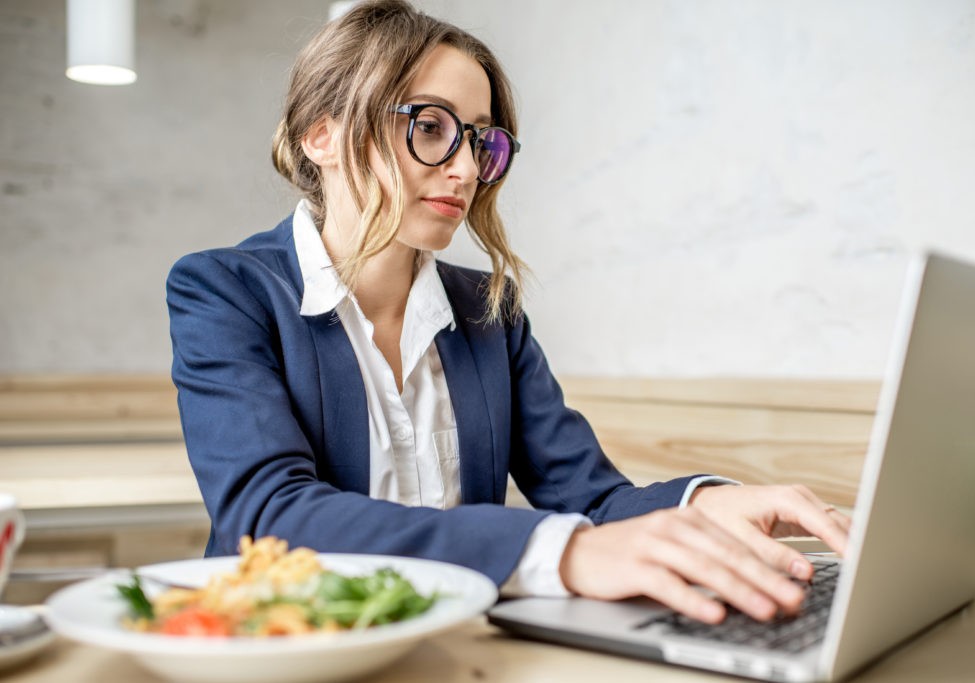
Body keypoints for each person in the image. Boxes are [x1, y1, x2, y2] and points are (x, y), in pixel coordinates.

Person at [166, 0, 851, 626]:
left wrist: (703, 504)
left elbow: (592, 495)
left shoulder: (488, 313)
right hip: (281, 650)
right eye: (430, 127)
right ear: (324, 135)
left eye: (481, 141)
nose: (465, 168)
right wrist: (564, 553)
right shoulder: (224, 291)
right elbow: (273, 518)